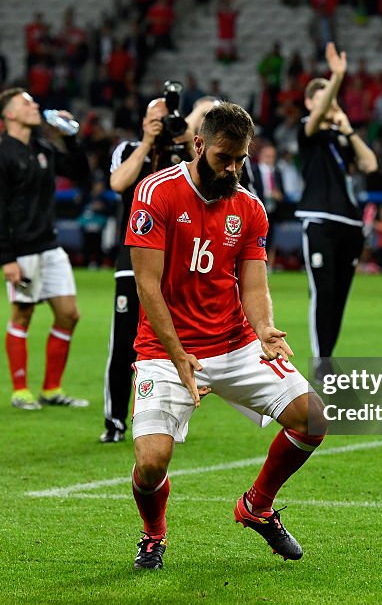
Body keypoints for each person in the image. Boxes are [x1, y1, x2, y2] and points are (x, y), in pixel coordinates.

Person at [125, 102, 327, 570]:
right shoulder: (156, 193)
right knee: (152, 461)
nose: (233, 168)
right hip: (165, 348)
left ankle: (257, 506)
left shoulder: (249, 206)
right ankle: (154, 534)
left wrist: (265, 329)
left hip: (235, 342)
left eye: (241, 160)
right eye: (224, 159)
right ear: (199, 145)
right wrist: (177, 355)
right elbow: (147, 286)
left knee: (312, 419)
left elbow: (254, 283)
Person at [0, 88, 91, 410]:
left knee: (69, 315)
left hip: (49, 245)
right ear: (10, 114)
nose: (35, 107)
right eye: (27, 103)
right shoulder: (0, 156)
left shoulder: (42, 147)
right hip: (22, 250)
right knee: (23, 313)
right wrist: (7, 258)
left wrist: (70, 137)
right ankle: (20, 391)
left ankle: (52, 389)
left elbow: (80, 173)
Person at [100, 97, 197, 443]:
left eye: (165, 119)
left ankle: (172, 421)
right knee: (124, 344)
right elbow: (117, 184)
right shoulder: (128, 148)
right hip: (133, 261)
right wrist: (145, 143)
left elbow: (208, 179)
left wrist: (186, 138)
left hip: (176, 263)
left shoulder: (185, 151)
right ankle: (114, 422)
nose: (160, 124)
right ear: (143, 121)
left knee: (176, 344)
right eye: (153, 119)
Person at [295, 42, 378, 369]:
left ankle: (328, 357)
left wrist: (349, 130)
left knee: (340, 296)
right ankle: (321, 361)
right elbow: (316, 117)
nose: (329, 104)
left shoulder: (341, 137)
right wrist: (337, 77)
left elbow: (370, 164)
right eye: (323, 99)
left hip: (350, 224)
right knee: (324, 291)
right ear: (310, 103)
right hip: (319, 220)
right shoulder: (308, 131)